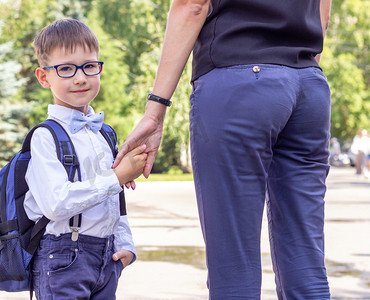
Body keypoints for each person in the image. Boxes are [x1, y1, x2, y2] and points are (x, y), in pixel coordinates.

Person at [114, 0, 332, 299]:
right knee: (305, 254)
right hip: (308, 84)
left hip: (239, 81)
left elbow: (193, 5)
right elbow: (323, 12)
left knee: (234, 263)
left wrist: (156, 110)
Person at [24, 19, 147, 299]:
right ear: (44, 77)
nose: (80, 77)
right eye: (66, 69)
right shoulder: (45, 137)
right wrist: (117, 177)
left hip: (106, 259)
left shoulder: (104, 134)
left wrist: (126, 246)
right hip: (62, 259)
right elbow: (57, 203)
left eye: (89, 66)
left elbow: (115, 201)